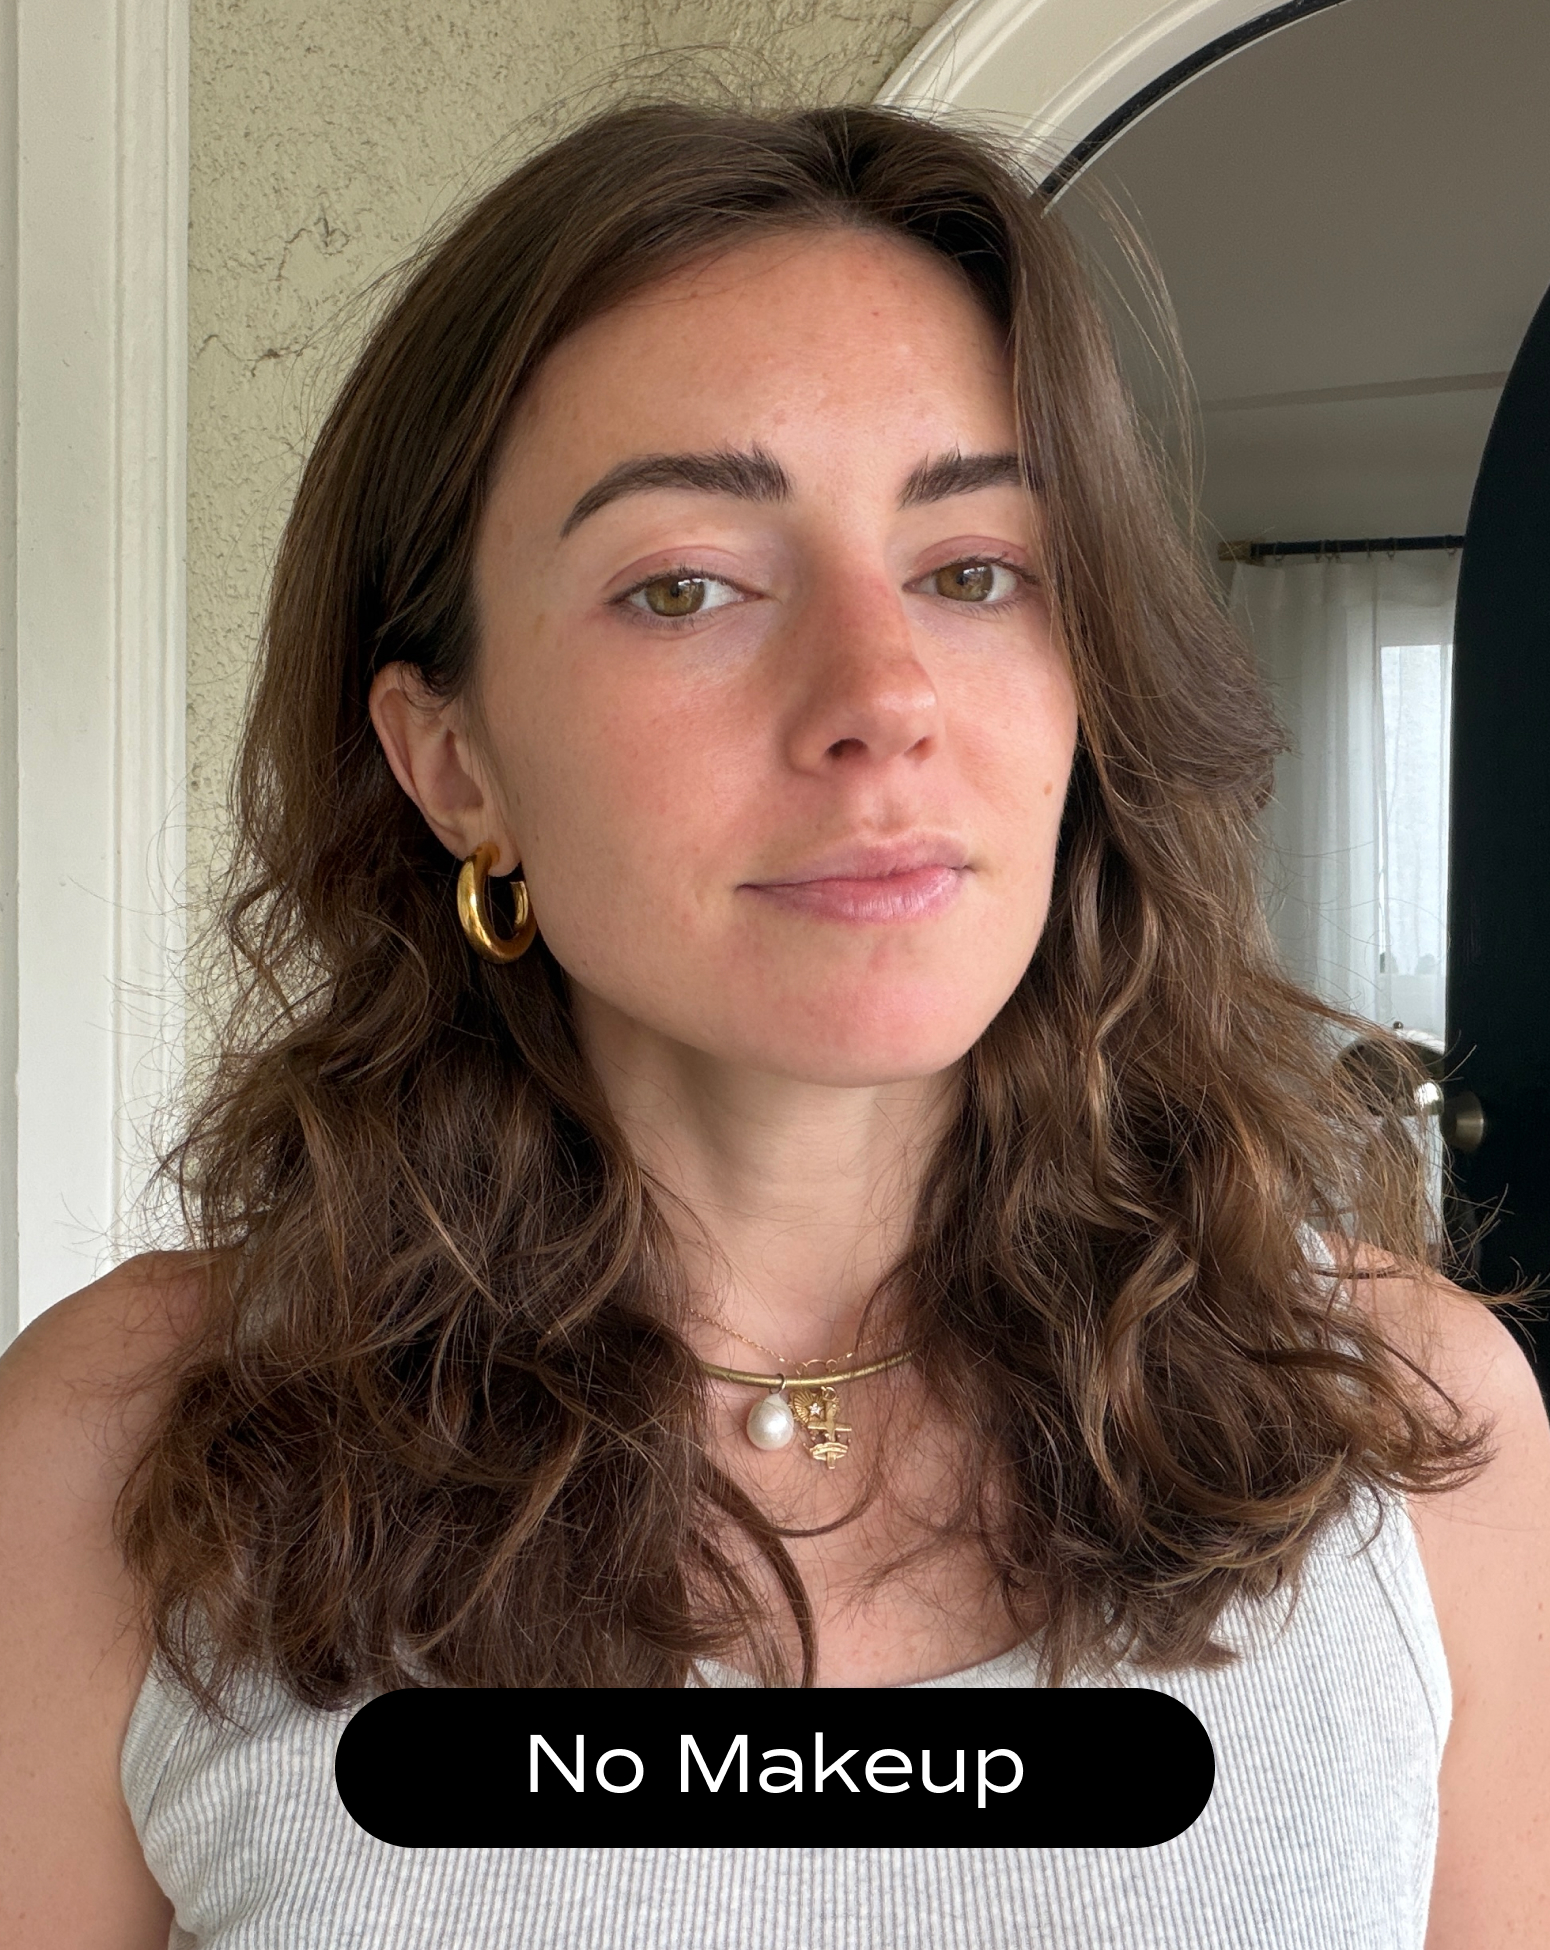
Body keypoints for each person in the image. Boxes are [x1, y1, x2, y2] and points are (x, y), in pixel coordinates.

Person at [1, 101, 1546, 1950]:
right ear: (454, 762)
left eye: (974, 568)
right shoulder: (124, 1450)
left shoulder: (1407, 1427)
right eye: (686, 585)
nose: (879, 697)